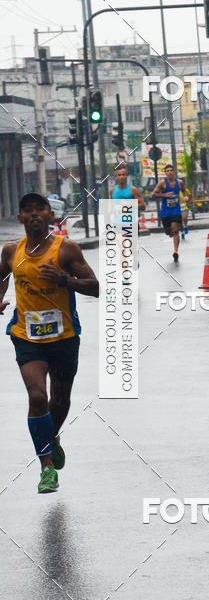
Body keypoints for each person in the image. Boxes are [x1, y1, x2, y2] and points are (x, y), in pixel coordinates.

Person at [0, 193, 99, 493]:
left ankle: (51, 436)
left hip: (64, 336)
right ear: (20, 217)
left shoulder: (66, 249)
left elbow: (96, 287)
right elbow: (2, 275)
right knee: (37, 397)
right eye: (28, 210)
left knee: (60, 399)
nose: (34, 214)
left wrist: (64, 280)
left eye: (40, 209)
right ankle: (46, 468)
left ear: (50, 215)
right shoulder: (10, 251)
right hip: (26, 335)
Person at [151, 164, 186, 261]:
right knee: (167, 231)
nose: (170, 172)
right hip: (165, 212)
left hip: (176, 210)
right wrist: (164, 195)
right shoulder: (162, 183)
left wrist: (186, 196)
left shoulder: (180, 182)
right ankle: (170, 231)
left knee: (175, 230)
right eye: (167, 171)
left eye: (171, 170)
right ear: (165, 173)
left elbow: (184, 191)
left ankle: (176, 251)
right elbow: (153, 195)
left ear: (174, 172)